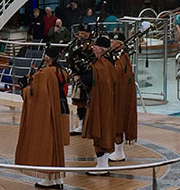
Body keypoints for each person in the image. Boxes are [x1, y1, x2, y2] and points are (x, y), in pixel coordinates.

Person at [15, 46, 69, 189]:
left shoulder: (44, 73)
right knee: (56, 143)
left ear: (47, 57)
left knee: (48, 143)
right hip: (62, 108)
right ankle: (57, 178)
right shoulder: (62, 71)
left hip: (49, 111)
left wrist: (25, 89)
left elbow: (37, 93)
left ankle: (49, 177)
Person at [75, 36, 115, 175]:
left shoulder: (101, 65)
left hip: (100, 104)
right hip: (104, 103)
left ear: (100, 49)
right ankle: (102, 165)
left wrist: (79, 76)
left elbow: (88, 80)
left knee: (100, 131)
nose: (93, 48)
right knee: (103, 130)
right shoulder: (107, 64)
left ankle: (102, 166)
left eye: (95, 47)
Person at [108, 33, 137, 163]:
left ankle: (119, 150)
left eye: (112, 42)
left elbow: (121, 76)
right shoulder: (112, 57)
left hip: (120, 95)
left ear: (119, 44)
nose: (110, 44)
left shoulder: (123, 58)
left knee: (118, 120)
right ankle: (115, 149)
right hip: (113, 94)